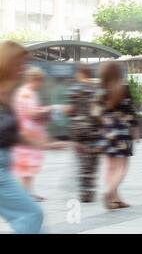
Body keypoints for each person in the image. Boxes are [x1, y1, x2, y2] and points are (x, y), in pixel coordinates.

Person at [0, 41, 73, 234]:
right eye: (20, 63)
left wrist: (48, 144)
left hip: (4, 166)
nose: (23, 69)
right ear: (8, 63)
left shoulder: (7, 94)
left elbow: (11, 135)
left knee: (31, 217)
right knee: (31, 215)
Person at [98, 61, 139, 210]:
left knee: (110, 167)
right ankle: (108, 192)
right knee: (122, 167)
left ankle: (115, 199)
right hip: (122, 131)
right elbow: (130, 111)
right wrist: (135, 129)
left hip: (107, 131)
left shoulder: (101, 90)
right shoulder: (123, 89)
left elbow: (97, 113)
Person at [12, 67, 53, 202]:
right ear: (33, 79)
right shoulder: (26, 93)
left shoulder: (28, 92)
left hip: (30, 135)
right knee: (26, 166)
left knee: (29, 166)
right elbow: (31, 113)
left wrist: (41, 110)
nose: (40, 84)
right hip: (27, 136)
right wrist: (46, 110)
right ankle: (26, 194)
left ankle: (29, 192)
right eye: (39, 81)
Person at [66, 64, 103, 203]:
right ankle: (90, 190)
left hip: (78, 131)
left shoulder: (74, 89)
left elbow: (70, 109)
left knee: (82, 161)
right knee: (93, 161)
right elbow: (99, 111)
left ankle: (83, 191)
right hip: (94, 130)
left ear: (80, 73)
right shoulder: (97, 90)